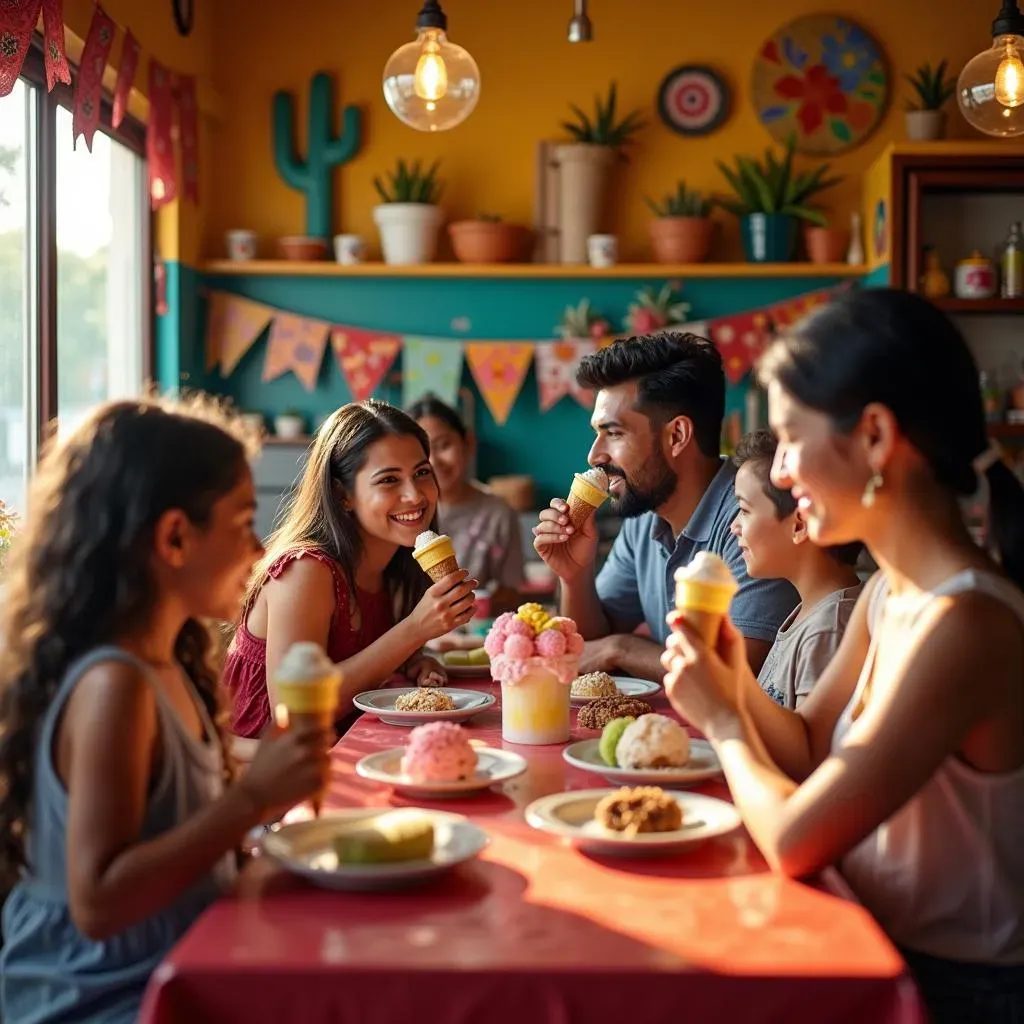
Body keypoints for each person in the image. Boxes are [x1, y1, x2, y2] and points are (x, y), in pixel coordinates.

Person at [662, 289, 1024, 1023]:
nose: (783, 473)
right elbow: (806, 749)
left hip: (955, 987)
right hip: (870, 933)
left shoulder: (968, 621)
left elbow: (796, 840)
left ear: (875, 437)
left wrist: (726, 722)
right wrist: (728, 668)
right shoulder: (886, 593)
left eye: (790, 440)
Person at [0, 398, 331, 1024]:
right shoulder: (112, 686)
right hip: (102, 1002)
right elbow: (98, 901)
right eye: (241, 524)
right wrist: (253, 801)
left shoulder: (168, 665)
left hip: (179, 967)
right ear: (175, 537)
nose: (259, 547)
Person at [533, 332, 798, 681]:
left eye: (613, 433)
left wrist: (622, 649)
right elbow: (588, 652)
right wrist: (574, 575)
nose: (594, 455)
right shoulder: (645, 516)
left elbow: (736, 673)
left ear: (676, 436)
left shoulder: (751, 518)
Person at [225, 400, 478, 738]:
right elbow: (294, 713)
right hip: (265, 772)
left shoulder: (398, 564)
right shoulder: (305, 570)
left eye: (421, 473)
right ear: (342, 494)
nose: (415, 495)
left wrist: (416, 659)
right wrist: (414, 631)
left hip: (349, 747)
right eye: (389, 480)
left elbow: (367, 659)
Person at [732, 429, 863, 709]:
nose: (734, 527)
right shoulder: (808, 613)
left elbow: (809, 751)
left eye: (744, 510)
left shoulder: (828, 630)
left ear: (799, 525)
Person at [409, 395, 525, 618]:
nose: (434, 461)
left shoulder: (498, 513)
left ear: (468, 443)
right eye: (422, 452)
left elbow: (510, 593)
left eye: (443, 445)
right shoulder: (405, 514)